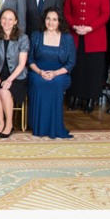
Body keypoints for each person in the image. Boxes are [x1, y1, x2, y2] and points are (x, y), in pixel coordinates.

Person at [63, 0, 110, 114]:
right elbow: (66, 13)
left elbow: (105, 15)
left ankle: (91, 99)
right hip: (75, 37)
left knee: (93, 70)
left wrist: (90, 28)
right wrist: (74, 26)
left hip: (95, 37)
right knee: (76, 68)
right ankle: (75, 97)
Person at [27, 8, 76, 139]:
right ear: (44, 20)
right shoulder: (36, 35)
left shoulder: (67, 38)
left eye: (54, 19)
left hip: (60, 74)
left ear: (59, 21)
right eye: (48, 18)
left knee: (55, 83)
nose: (51, 22)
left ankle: (55, 127)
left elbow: (70, 63)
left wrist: (55, 73)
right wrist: (40, 71)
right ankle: (39, 127)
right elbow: (30, 59)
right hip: (38, 71)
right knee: (39, 82)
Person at [0, 8, 29, 138]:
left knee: (5, 91)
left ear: (15, 21)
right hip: (0, 73)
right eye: (4, 18)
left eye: (10, 19)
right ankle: (1, 123)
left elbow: (22, 63)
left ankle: (9, 124)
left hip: (17, 76)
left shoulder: (23, 38)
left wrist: (9, 80)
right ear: (0, 20)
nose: (7, 22)